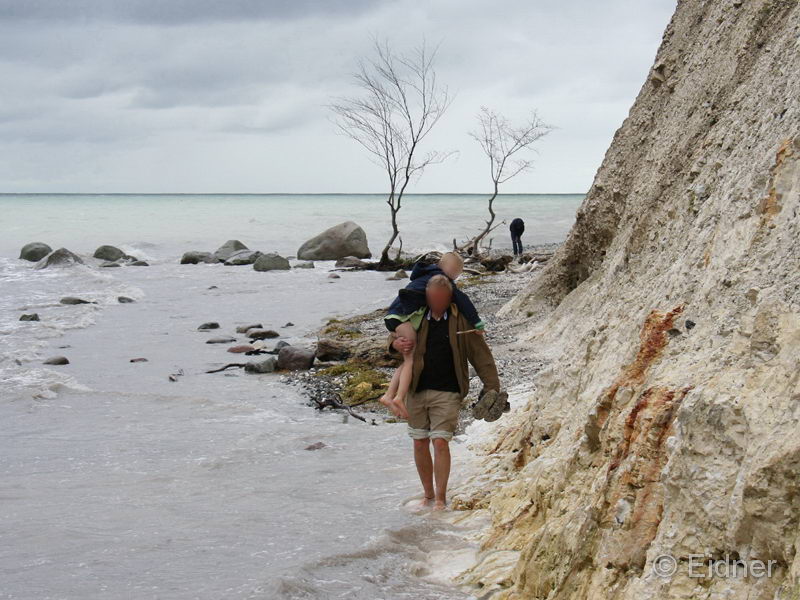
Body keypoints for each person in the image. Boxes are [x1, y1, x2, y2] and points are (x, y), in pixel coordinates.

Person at [386, 274, 501, 510]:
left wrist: (492, 387)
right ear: (427, 297)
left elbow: (481, 355)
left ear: (450, 297)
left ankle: (440, 498)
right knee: (419, 442)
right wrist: (395, 345)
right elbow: (395, 343)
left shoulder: (462, 321)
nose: (437, 304)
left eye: (442, 299)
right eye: (433, 299)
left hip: (448, 390)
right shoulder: (416, 316)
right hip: (416, 389)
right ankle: (427, 495)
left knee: (440, 442)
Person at [379, 252, 485, 419]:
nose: (455, 277)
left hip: (396, 316)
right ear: (445, 268)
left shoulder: (425, 275)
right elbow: (462, 300)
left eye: (458, 273)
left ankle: (389, 395)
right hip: (400, 316)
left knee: (407, 360)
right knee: (410, 359)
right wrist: (477, 322)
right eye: (455, 271)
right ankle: (398, 397)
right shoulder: (439, 278)